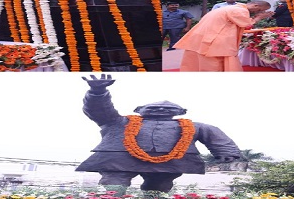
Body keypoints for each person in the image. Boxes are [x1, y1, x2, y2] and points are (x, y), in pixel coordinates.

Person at [76, 74, 241, 192]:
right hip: (119, 159)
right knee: (114, 185)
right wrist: (97, 92)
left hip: (170, 162)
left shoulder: (193, 126)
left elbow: (215, 136)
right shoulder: (119, 121)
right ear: (140, 110)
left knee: (159, 187)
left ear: (180, 112)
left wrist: (226, 152)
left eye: (168, 108)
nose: (161, 109)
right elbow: (98, 110)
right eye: (155, 108)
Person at [173, 1, 273, 71]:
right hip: (215, 38)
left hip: (202, 36)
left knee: (200, 58)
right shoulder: (240, 10)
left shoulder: (230, 8)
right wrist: (259, 17)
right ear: (255, 6)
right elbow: (246, 24)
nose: (260, 12)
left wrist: (258, 16)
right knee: (215, 61)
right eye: (260, 10)